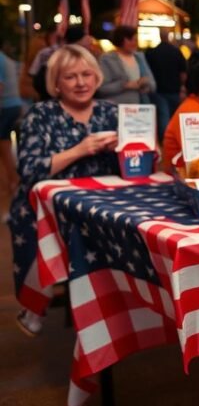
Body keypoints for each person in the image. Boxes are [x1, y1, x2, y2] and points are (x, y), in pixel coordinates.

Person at [8, 45, 118, 335]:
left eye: (86, 74)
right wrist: (80, 150)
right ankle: (34, 308)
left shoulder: (113, 112)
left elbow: (142, 166)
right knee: (38, 232)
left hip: (100, 206)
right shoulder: (40, 115)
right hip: (46, 209)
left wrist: (136, 150)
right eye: (70, 77)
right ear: (56, 83)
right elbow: (29, 170)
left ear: (97, 78)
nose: (81, 83)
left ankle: (121, 304)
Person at [147, 28, 188, 142]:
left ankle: (166, 143)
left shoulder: (152, 52)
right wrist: (182, 87)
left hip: (158, 91)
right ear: (168, 36)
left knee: (163, 118)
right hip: (174, 90)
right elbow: (183, 73)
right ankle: (176, 141)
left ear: (159, 36)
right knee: (176, 118)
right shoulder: (176, 51)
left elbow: (147, 72)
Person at [96, 25, 156, 105]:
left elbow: (153, 84)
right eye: (131, 40)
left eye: (136, 40)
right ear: (120, 40)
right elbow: (101, 89)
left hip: (141, 109)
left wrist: (146, 84)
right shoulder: (107, 59)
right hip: (116, 109)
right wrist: (124, 85)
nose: (134, 43)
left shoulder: (140, 57)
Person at [0, 44, 23, 208]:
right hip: (15, 104)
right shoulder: (6, 58)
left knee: (4, 146)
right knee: (5, 145)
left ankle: (13, 183)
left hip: (5, 106)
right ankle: (12, 182)